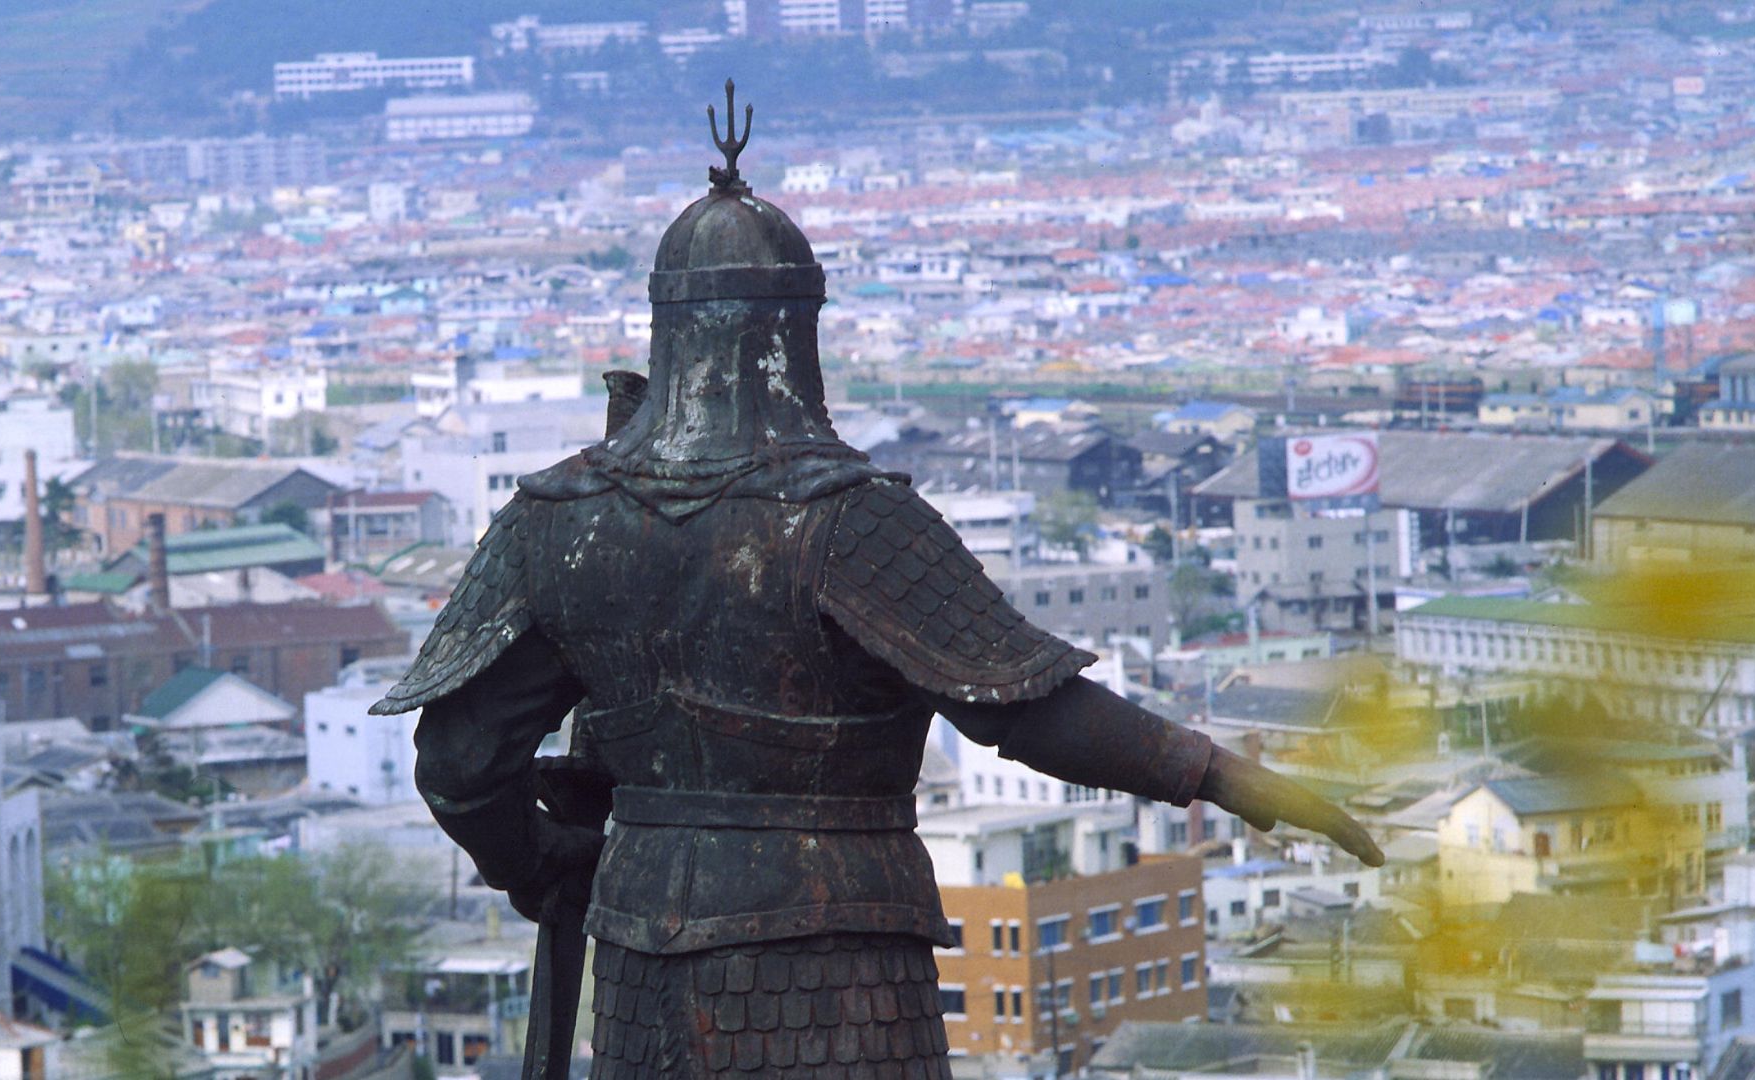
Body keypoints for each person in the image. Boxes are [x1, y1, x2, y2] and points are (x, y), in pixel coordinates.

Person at [374, 83, 1381, 1080]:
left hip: (642, 959)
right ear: (798, 329)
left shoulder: (560, 519)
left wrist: (538, 863)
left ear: (667, 326)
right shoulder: (852, 520)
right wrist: (1221, 775)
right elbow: (1017, 706)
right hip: (842, 964)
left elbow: (460, 762)